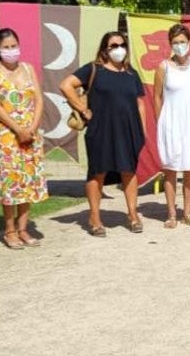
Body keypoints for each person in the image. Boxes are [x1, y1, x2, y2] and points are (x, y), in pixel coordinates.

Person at [58, 31, 147, 236]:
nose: (119, 49)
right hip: (101, 130)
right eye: (113, 46)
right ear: (105, 50)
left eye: (122, 45)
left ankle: (133, 214)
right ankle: (95, 217)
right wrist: (82, 108)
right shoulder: (93, 69)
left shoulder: (131, 73)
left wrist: (142, 131)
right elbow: (66, 85)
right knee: (98, 172)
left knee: (129, 171)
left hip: (128, 130)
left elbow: (140, 104)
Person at [0, 28, 48, 249]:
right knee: (11, 182)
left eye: (14, 46)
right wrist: (17, 129)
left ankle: (23, 228)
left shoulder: (29, 69)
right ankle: (9, 230)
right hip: (8, 136)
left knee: (28, 181)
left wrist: (31, 127)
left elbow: (39, 100)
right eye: (6, 47)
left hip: (30, 134)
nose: (11, 51)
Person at [155, 24, 190, 228]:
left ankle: (187, 213)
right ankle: (171, 214)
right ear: (170, 44)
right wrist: (160, 122)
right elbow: (157, 96)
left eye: (182, 42)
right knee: (170, 169)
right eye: (175, 42)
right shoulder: (163, 67)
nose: (179, 46)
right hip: (171, 124)